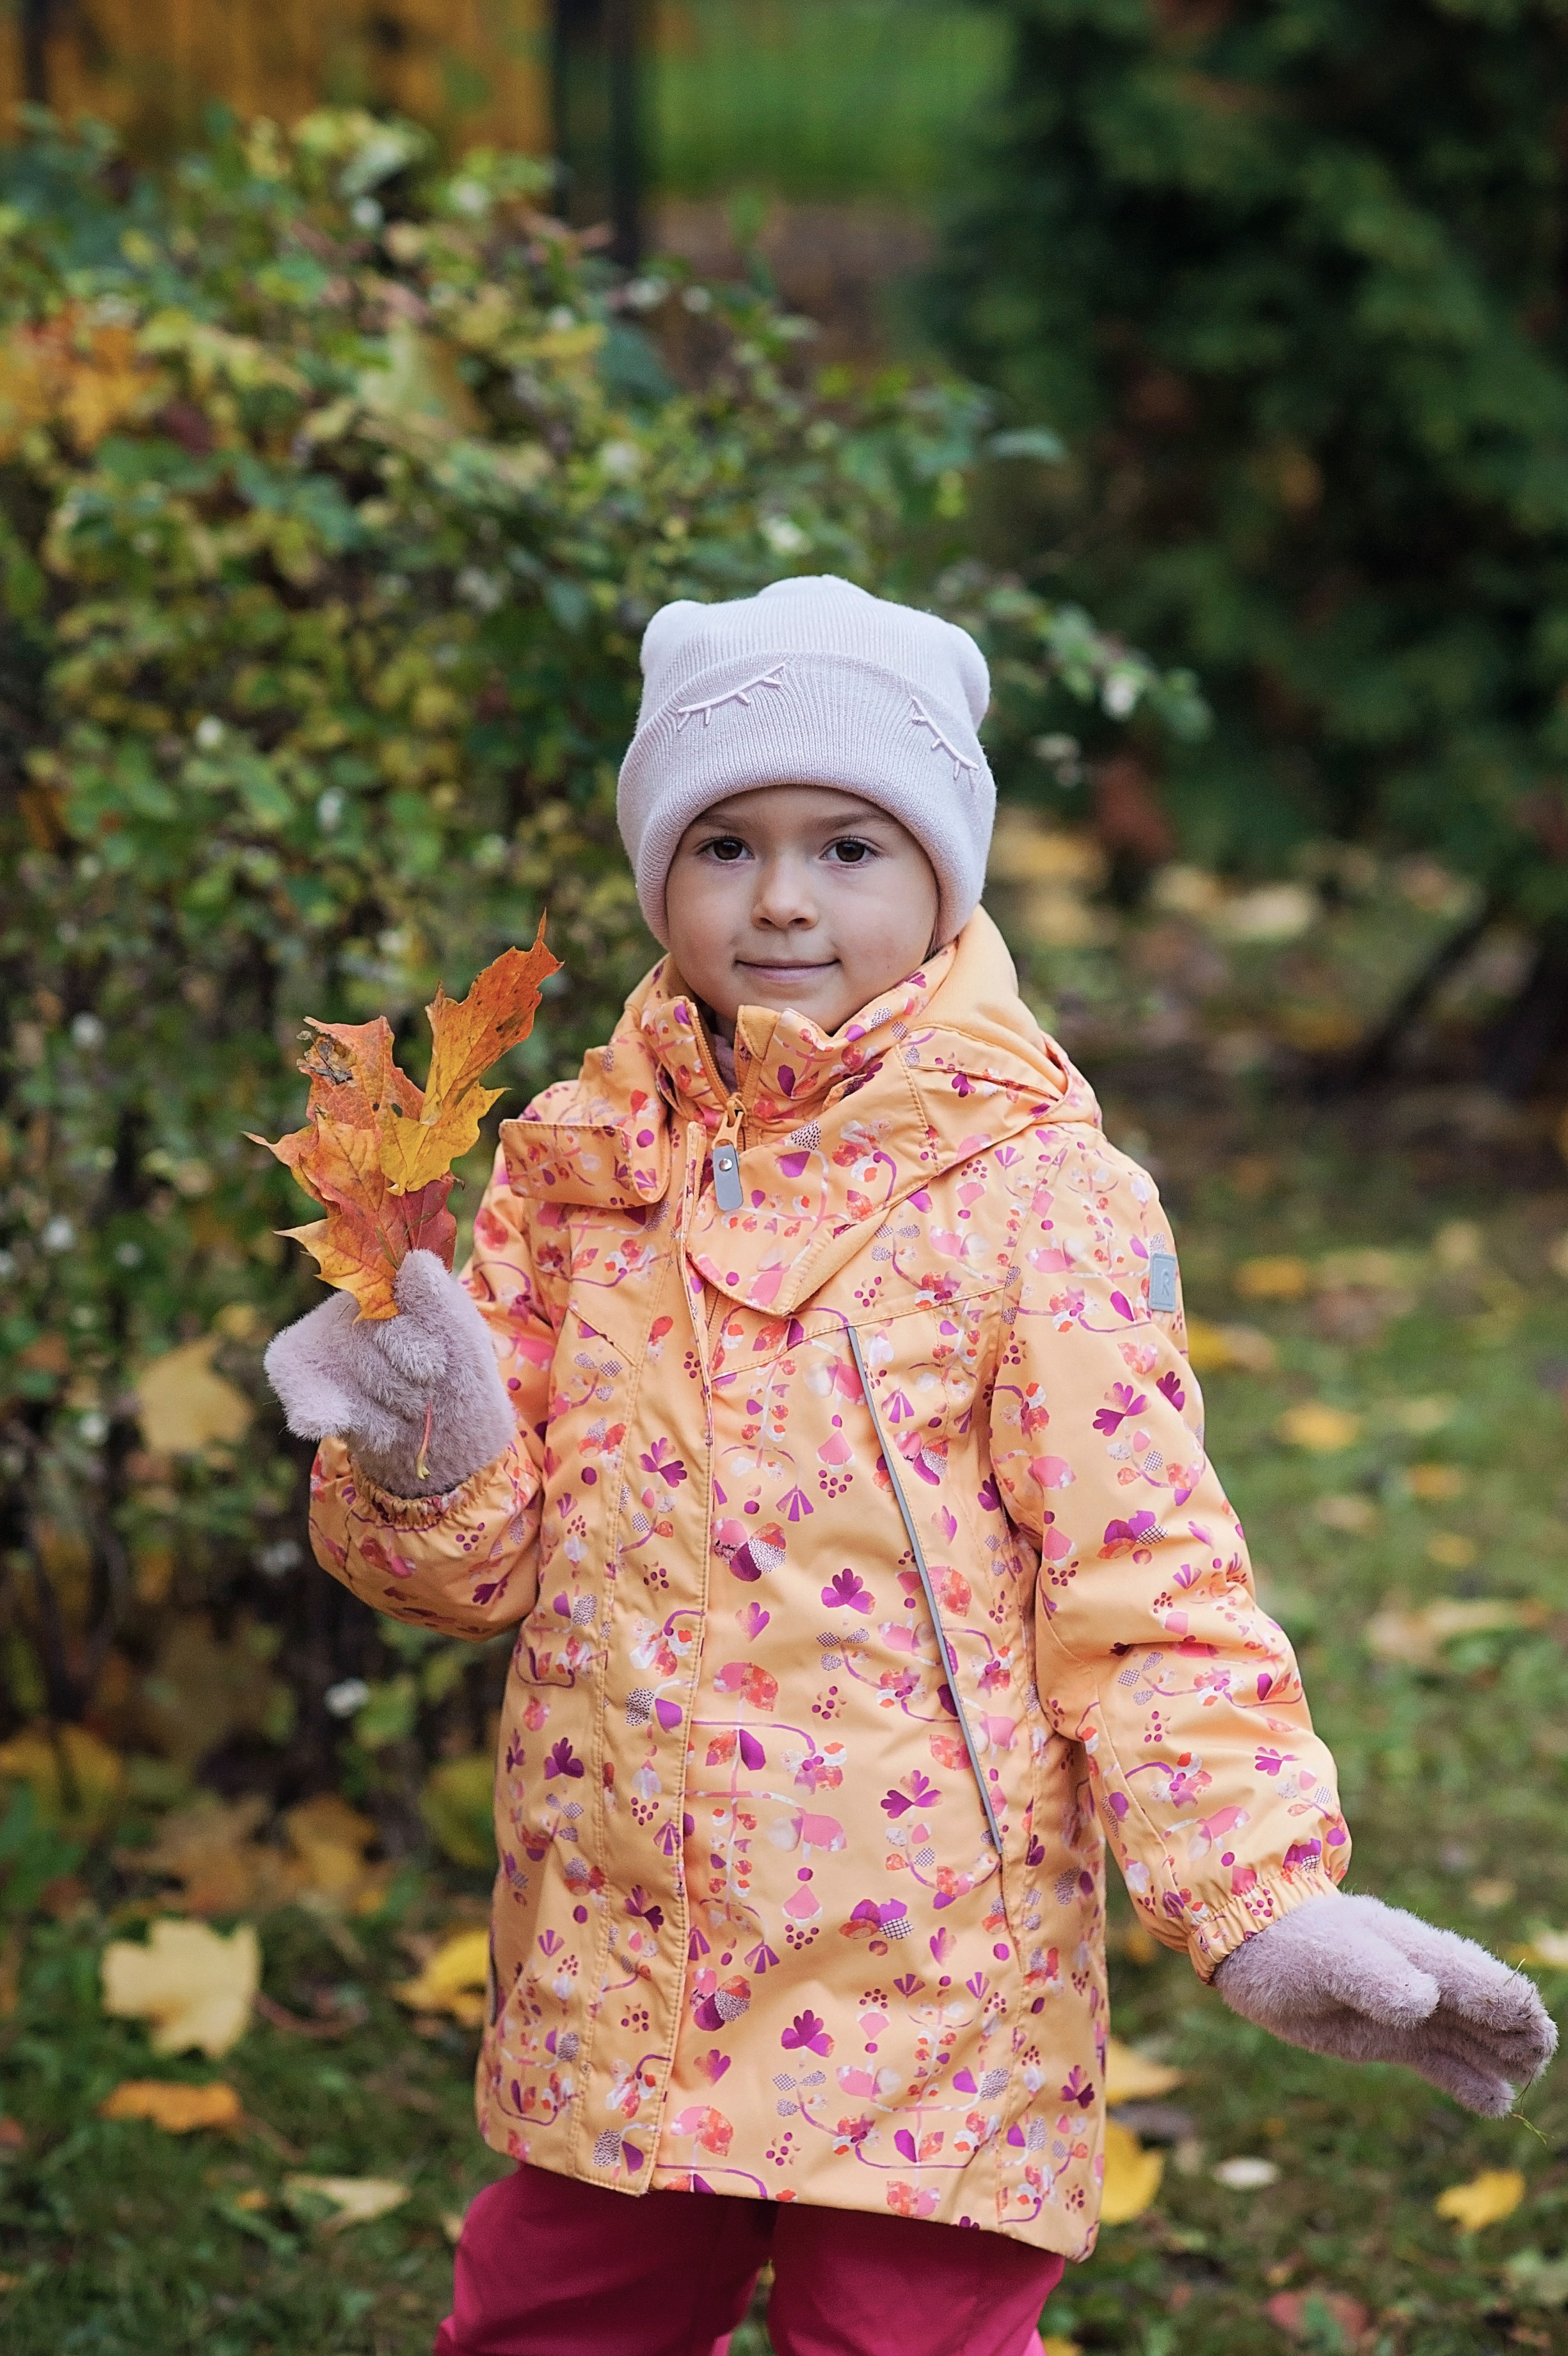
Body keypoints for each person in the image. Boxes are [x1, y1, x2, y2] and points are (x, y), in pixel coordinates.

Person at [265, 578, 1554, 2356]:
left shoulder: (1035, 1193)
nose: (781, 894)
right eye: (724, 840)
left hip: (933, 1959)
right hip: (617, 1944)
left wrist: (1261, 1893)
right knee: (553, 2318)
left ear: (942, 873)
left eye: (848, 842)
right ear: (661, 872)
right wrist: (430, 1445)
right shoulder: (576, 1170)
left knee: (905, 2340)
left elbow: (1148, 1574)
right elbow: (473, 1575)